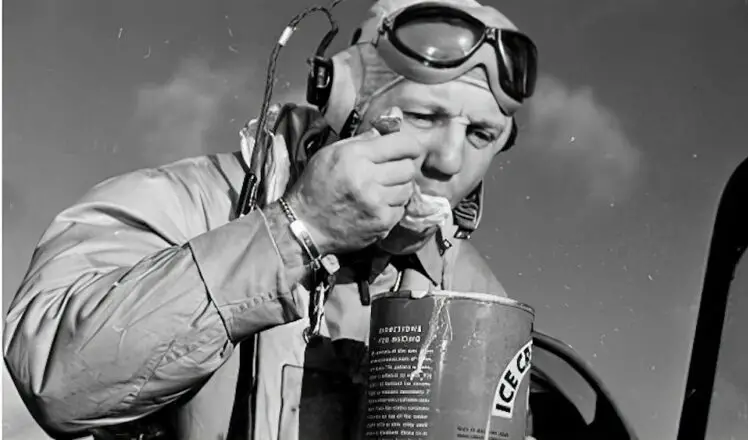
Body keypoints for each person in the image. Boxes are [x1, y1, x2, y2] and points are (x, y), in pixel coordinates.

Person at [3, 0, 537, 438]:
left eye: (480, 134)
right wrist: (298, 230)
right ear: (343, 102)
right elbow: (58, 378)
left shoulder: (474, 291)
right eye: (424, 116)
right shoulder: (189, 203)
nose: (448, 158)